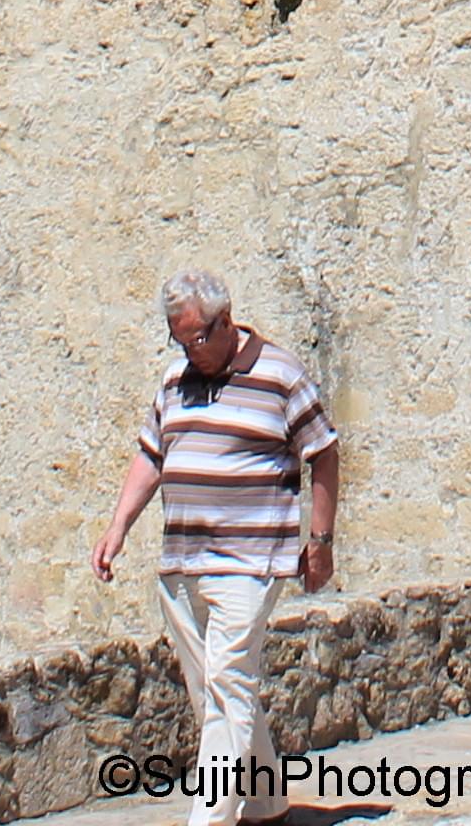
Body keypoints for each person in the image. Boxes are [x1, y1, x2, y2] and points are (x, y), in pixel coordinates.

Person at [86, 269, 340, 826]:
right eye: (179, 339)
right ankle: (268, 803)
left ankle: (211, 819)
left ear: (226, 321)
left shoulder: (280, 373)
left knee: (228, 686)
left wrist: (319, 540)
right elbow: (153, 455)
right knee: (216, 692)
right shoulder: (175, 379)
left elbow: (323, 451)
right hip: (183, 562)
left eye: (197, 337)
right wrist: (118, 526)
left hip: (249, 563)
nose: (188, 350)